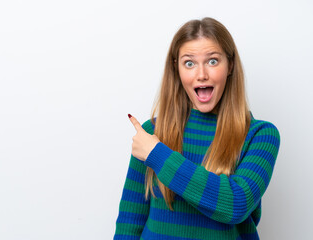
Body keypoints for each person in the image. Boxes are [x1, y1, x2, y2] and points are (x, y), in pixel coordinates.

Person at [113, 17, 280, 240]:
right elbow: (129, 223)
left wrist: (158, 154)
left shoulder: (261, 135)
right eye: (189, 63)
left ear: (230, 65)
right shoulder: (151, 133)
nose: (201, 74)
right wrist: (154, 148)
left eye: (212, 61)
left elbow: (236, 204)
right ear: (177, 69)